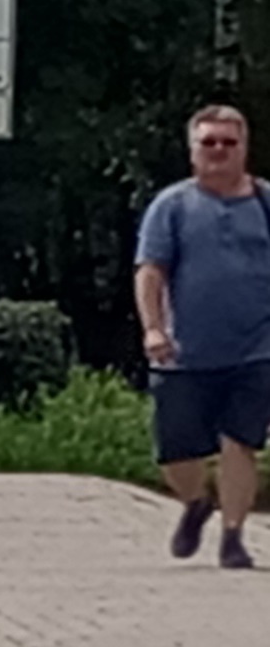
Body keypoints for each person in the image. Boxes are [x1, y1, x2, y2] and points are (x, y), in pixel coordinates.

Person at [135, 104, 270, 570]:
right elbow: (151, 272)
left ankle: (234, 537)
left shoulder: (266, 203)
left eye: (228, 143)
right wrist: (153, 327)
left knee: (240, 443)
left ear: (244, 148)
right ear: (192, 150)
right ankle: (195, 503)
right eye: (208, 142)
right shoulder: (171, 206)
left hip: (256, 349)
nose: (218, 151)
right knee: (175, 452)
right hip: (182, 351)